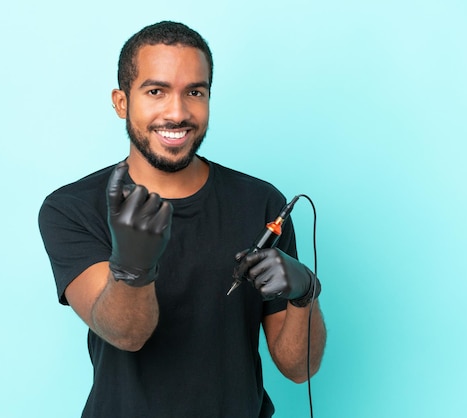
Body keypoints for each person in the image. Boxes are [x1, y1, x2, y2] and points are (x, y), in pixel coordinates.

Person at [38, 21, 326, 418]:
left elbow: (299, 368)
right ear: (121, 102)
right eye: (156, 91)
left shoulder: (261, 203)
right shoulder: (71, 209)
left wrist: (305, 293)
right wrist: (133, 267)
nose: (177, 112)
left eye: (195, 92)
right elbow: (128, 335)